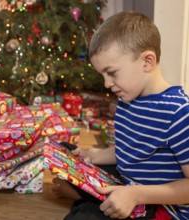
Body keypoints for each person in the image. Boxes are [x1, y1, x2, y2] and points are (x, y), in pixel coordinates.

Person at [52, 11, 189, 219]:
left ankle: (88, 201)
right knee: (67, 152)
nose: (107, 84)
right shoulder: (127, 100)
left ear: (147, 62)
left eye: (112, 73)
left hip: (160, 205)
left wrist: (135, 195)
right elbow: (129, 151)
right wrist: (94, 156)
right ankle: (92, 198)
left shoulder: (178, 113)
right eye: (103, 76)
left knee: (86, 215)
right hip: (130, 184)